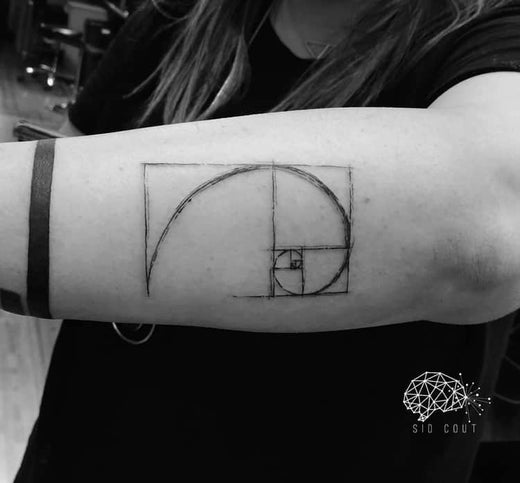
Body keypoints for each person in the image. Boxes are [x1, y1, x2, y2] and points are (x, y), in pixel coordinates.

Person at [3, 0, 520, 481]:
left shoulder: (494, 37)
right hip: (87, 444)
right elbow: (72, 152)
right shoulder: (174, 17)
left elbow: (483, 226)